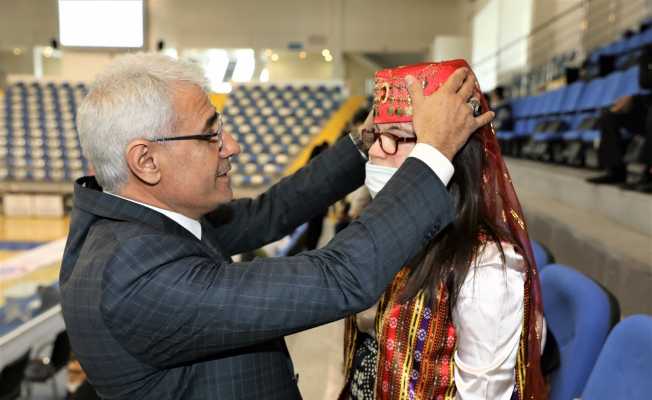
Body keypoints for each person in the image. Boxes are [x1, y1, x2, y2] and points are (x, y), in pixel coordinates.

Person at [59, 53, 493, 399]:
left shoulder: (143, 222)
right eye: (211, 135)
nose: (232, 146)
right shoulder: (135, 273)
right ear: (146, 161)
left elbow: (271, 212)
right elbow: (341, 277)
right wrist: (433, 153)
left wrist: (364, 143)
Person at [339, 61, 546, 400]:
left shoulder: (487, 267)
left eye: (397, 138)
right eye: (376, 135)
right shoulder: (390, 232)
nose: (375, 150)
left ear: (451, 151)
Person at [587, 44, 652, 188]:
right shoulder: (648, 50)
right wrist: (633, 98)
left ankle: (650, 175)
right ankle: (615, 171)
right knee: (610, 115)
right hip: (647, 104)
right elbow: (645, 82)